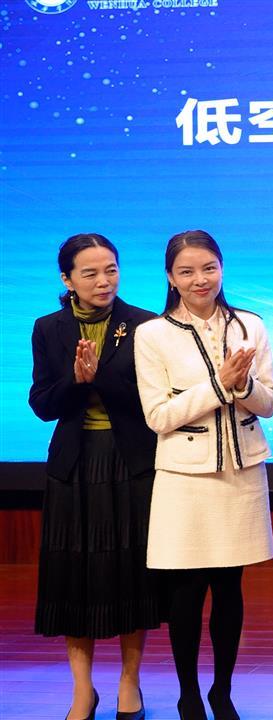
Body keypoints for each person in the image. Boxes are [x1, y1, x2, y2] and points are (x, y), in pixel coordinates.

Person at [134, 230, 273, 720]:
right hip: (184, 478)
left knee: (230, 589)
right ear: (170, 278)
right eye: (187, 271)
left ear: (222, 268)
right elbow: (158, 416)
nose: (201, 279)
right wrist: (219, 384)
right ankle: (189, 694)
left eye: (209, 268)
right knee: (186, 592)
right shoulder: (152, 334)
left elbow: (271, 403)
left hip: (241, 473)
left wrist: (244, 385)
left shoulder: (250, 326)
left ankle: (222, 691)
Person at [29, 233, 161, 720]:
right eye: (90, 273)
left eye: (111, 269)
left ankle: (130, 683)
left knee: (131, 575)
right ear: (67, 279)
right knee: (73, 578)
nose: (104, 281)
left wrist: (98, 378)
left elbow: (151, 402)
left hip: (130, 461)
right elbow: (43, 404)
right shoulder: (49, 328)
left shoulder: (144, 324)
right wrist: (74, 382)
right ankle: (82, 690)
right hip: (74, 464)